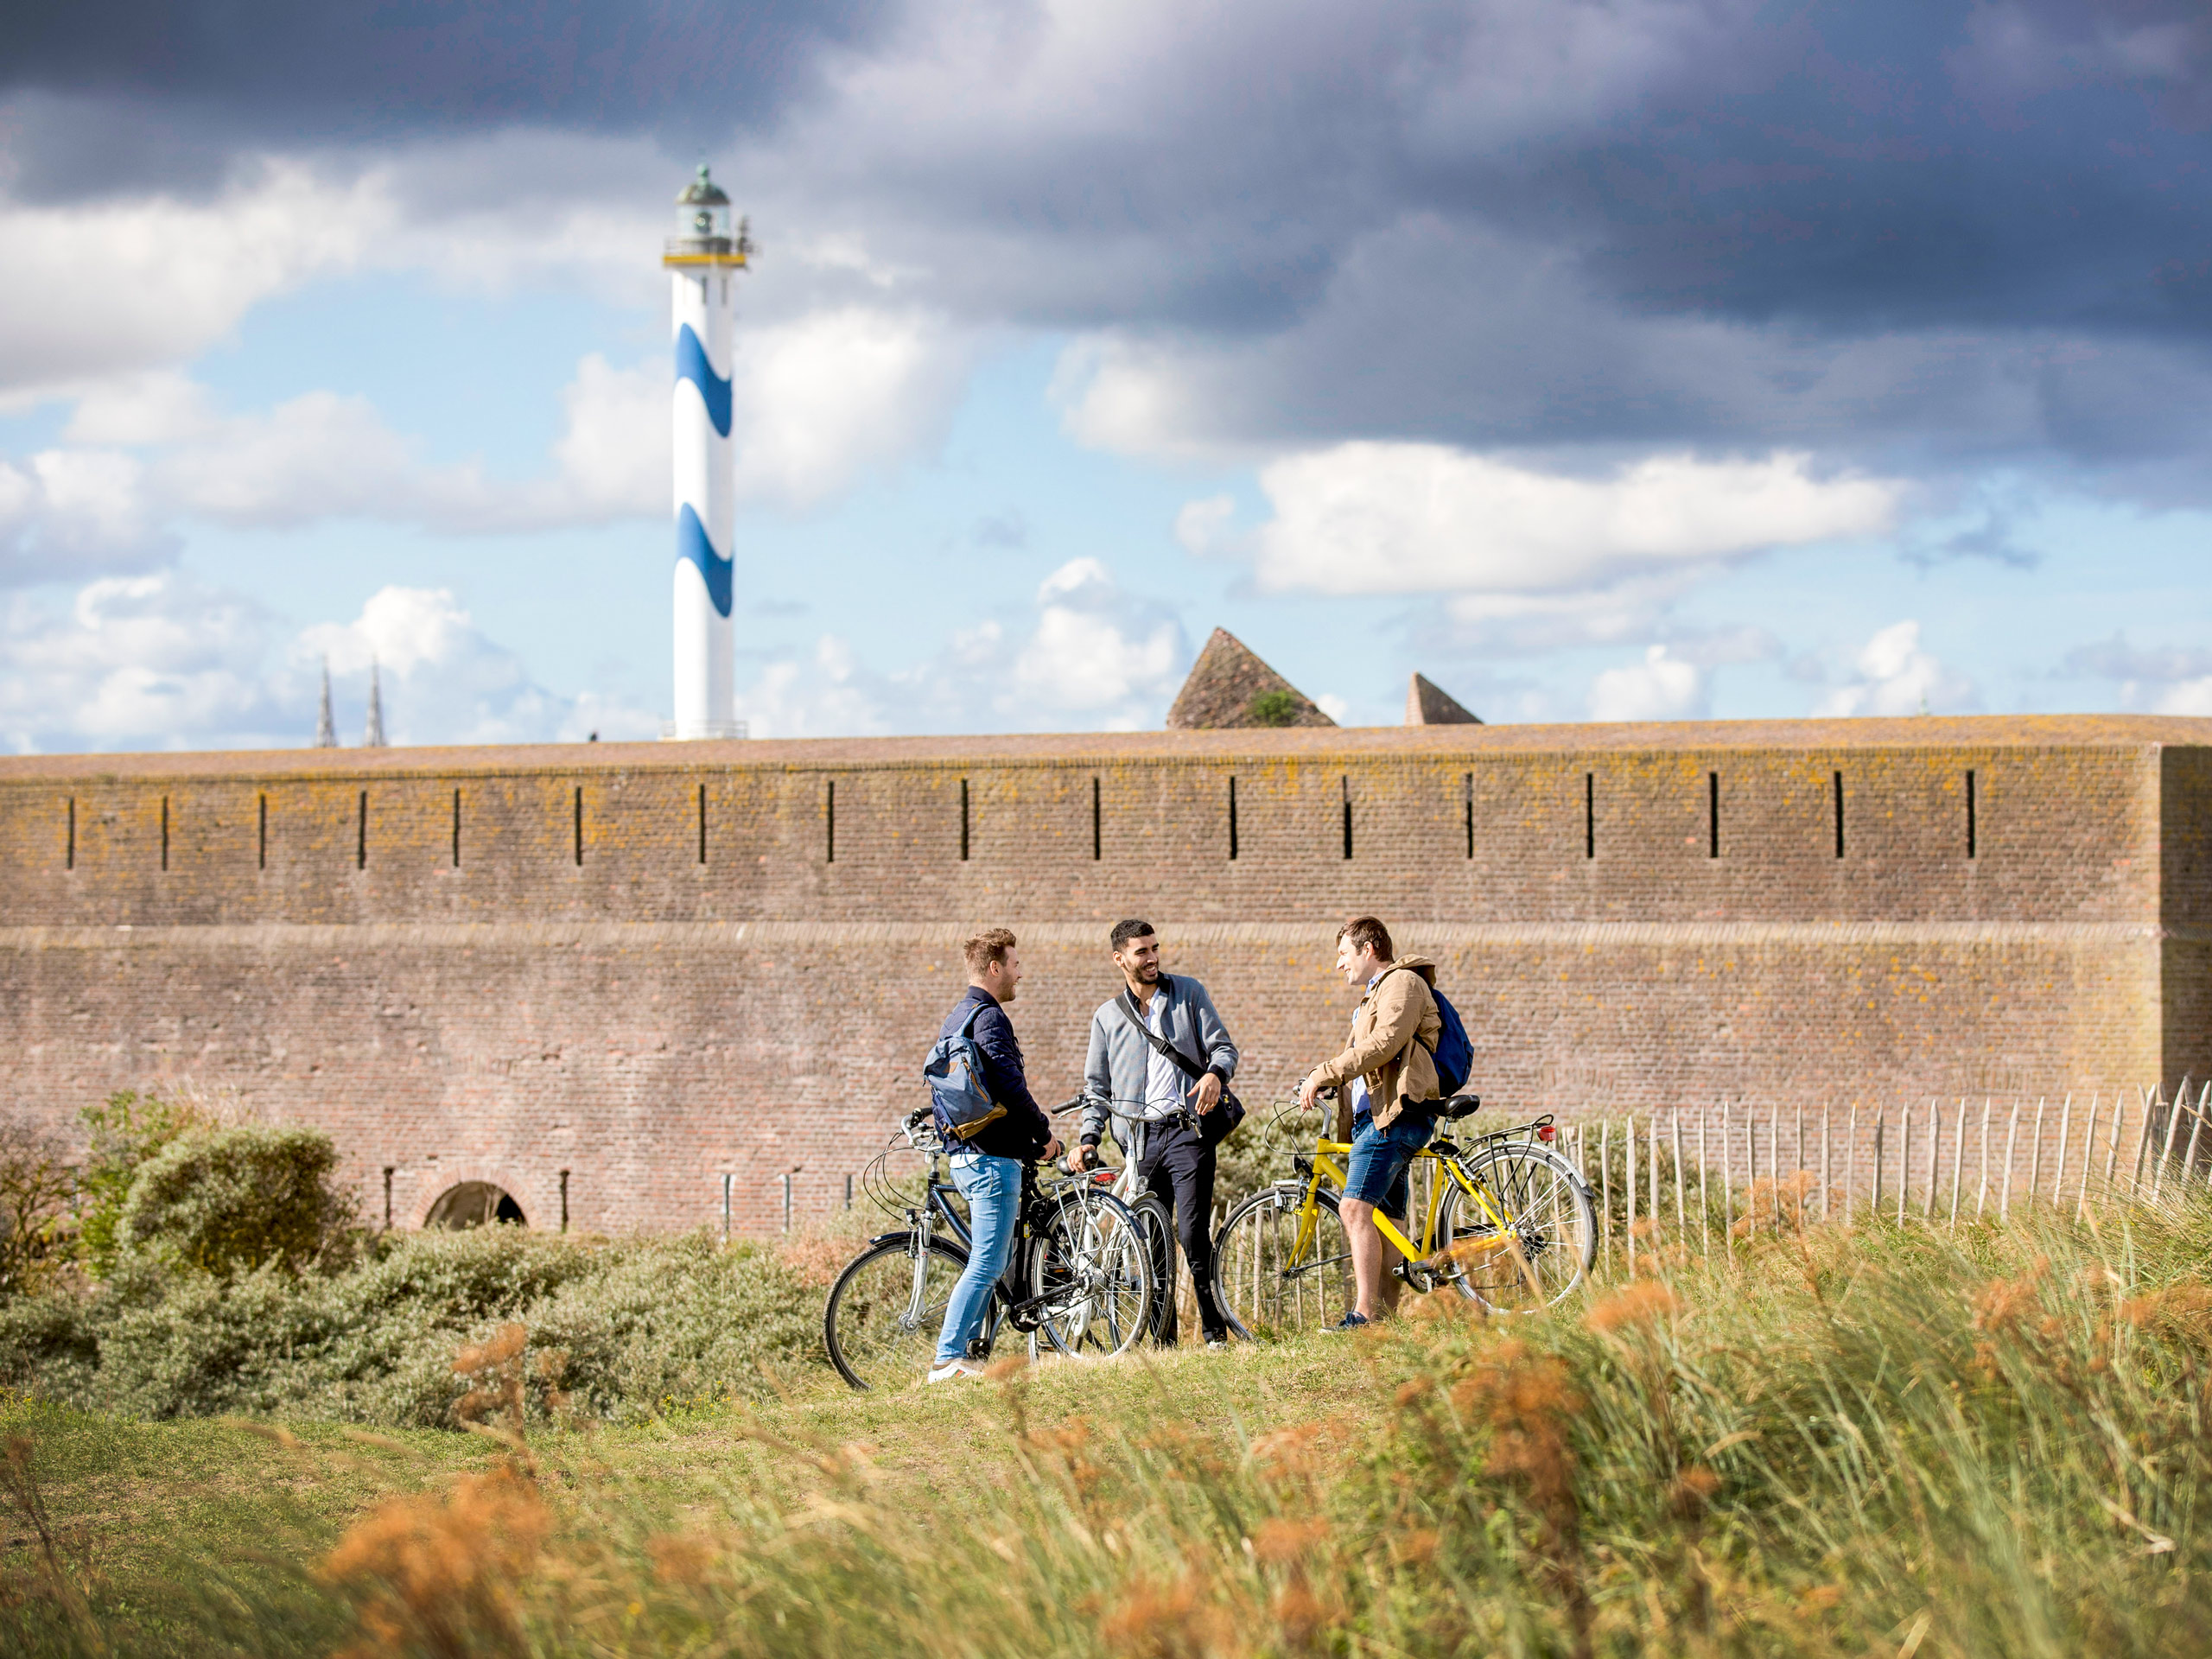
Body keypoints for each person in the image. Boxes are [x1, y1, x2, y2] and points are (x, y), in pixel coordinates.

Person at [1072, 919, 1240, 1349]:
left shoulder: (1188, 993)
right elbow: (1097, 1087)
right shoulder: (1108, 1017)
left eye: (1154, 949)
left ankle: (1214, 1332)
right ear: (1120, 959)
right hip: (1139, 1143)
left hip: (1188, 1132)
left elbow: (1223, 1047)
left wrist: (1215, 1075)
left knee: (1190, 1233)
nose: (1152, 958)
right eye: (1141, 952)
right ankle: (1163, 1342)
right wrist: (1089, 1137)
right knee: (1151, 1239)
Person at [1296, 916, 1441, 1330]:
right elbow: (1371, 1059)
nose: (1339, 964)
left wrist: (1327, 1071)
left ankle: (1362, 1315)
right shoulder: (1373, 995)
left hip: (1394, 1116)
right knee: (1386, 1221)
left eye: (1344, 954)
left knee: (1354, 1207)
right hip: (1377, 1116)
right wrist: (1333, 1084)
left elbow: (1385, 1044)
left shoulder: (1402, 984)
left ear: (1368, 949)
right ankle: (1386, 1323)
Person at [930, 927, 1062, 1382]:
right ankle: (948, 1358)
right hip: (990, 1160)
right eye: (1015, 964)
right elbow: (1010, 1085)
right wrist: (1044, 1135)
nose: (1019, 974)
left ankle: (967, 1353)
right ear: (994, 968)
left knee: (992, 1257)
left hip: (966, 1153)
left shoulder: (957, 1017)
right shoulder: (989, 1019)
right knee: (988, 1260)